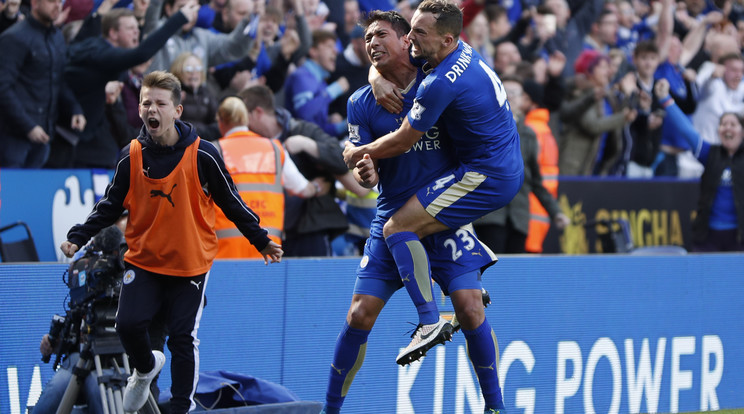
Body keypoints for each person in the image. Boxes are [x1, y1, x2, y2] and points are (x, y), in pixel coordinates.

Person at [60, 71, 283, 414]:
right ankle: (145, 368)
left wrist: (261, 240)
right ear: (140, 110)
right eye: (146, 102)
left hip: (190, 265)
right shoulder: (130, 155)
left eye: (161, 103)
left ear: (177, 110)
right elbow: (109, 207)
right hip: (144, 260)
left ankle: (181, 407)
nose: (152, 109)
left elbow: (231, 202)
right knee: (128, 325)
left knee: (182, 339)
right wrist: (78, 236)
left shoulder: (203, 154)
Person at [322, 11, 505, 414]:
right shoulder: (360, 103)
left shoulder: (437, 80)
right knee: (358, 314)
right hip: (391, 212)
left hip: (442, 215)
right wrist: (365, 169)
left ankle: (496, 408)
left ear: (407, 40)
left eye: (381, 34)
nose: (371, 42)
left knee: (471, 309)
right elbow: (365, 175)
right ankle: (330, 409)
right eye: (366, 37)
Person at [51, 3, 198, 169]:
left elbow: (92, 24)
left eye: (137, 27)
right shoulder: (103, 55)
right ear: (113, 33)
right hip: (66, 137)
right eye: (130, 28)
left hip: (82, 133)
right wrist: (180, 18)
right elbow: (141, 53)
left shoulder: (91, 43)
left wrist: (126, 9)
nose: (136, 32)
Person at [239, 84, 369, 257]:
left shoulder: (301, 130)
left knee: (312, 282)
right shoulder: (247, 143)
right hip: (270, 228)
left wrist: (307, 145)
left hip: (310, 227)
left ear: (258, 113)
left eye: (243, 117)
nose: (241, 124)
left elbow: (343, 159)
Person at [213, 96, 327, 258]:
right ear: (246, 120)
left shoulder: (213, 151)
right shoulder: (274, 148)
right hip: (268, 248)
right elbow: (302, 189)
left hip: (226, 250)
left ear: (220, 122)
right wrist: (316, 186)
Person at [474, 76, 568, 253]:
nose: (509, 97)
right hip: (490, 215)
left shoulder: (528, 134)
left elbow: (536, 182)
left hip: (519, 219)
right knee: (492, 270)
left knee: (514, 275)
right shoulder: (481, 127)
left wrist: (556, 212)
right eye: (505, 92)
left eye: (515, 94)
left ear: (523, 100)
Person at [655, 78, 744, 252]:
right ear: (718, 131)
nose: (728, 128)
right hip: (707, 237)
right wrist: (666, 100)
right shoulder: (709, 154)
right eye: (724, 124)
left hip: (739, 238)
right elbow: (687, 130)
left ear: (742, 131)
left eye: (733, 125)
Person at [0, 0, 85, 168]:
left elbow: (58, 80)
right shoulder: (14, 37)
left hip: (44, 134)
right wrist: (28, 126)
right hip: (13, 137)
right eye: (51, 1)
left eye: (59, 1)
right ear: (34, 3)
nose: (57, 6)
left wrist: (74, 108)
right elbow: (2, 87)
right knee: (10, 192)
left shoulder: (57, 37)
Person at [284, 29, 350, 138]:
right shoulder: (302, 75)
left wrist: (346, 124)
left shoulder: (321, 82)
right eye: (329, 46)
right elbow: (303, 114)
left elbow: (318, 130)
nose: (336, 51)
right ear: (313, 51)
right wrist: (334, 90)